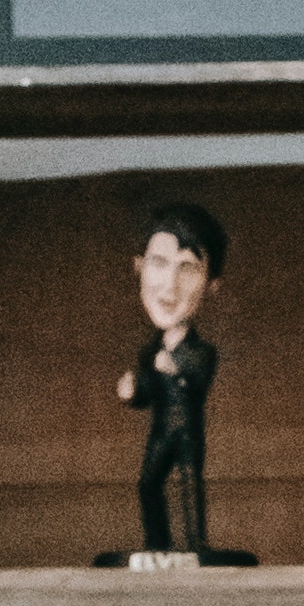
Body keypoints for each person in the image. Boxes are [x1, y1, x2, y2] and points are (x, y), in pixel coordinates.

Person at [112, 198, 224, 556]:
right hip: (163, 430)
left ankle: (195, 544)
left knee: (189, 485)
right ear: (139, 267)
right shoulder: (150, 351)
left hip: (187, 430)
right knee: (148, 483)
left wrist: (173, 368)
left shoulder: (198, 350)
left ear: (211, 286)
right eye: (159, 263)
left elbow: (198, 375)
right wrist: (134, 391)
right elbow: (147, 389)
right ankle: (156, 544)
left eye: (188, 268)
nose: (170, 285)